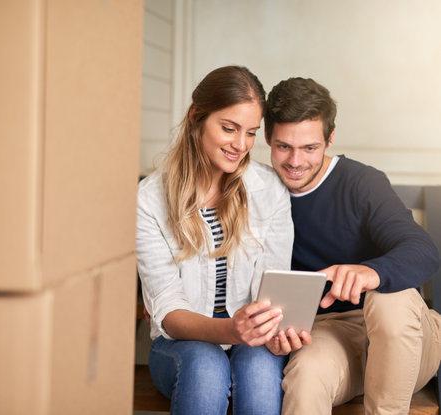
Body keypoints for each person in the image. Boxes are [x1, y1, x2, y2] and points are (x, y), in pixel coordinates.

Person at [263, 76, 441, 414]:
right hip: (330, 336)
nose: (295, 162)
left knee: (388, 298)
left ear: (330, 140)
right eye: (284, 146)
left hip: (406, 339)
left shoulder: (362, 182)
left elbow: (423, 249)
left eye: (310, 148)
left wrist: (370, 272)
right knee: (305, 378)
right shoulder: (260, 191)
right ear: (268, 138)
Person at [135, 66, 294, 415]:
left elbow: (275, 289)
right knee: (207, 367)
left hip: (252, 341)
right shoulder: (149, 199)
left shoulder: (269, 191)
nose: (241, 145)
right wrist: (231, 330)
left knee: (258, 372)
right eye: (229, 128)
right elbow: (167, 311)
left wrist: (279, 330)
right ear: (197, 117)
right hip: (181, 345)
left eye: (251, 133)